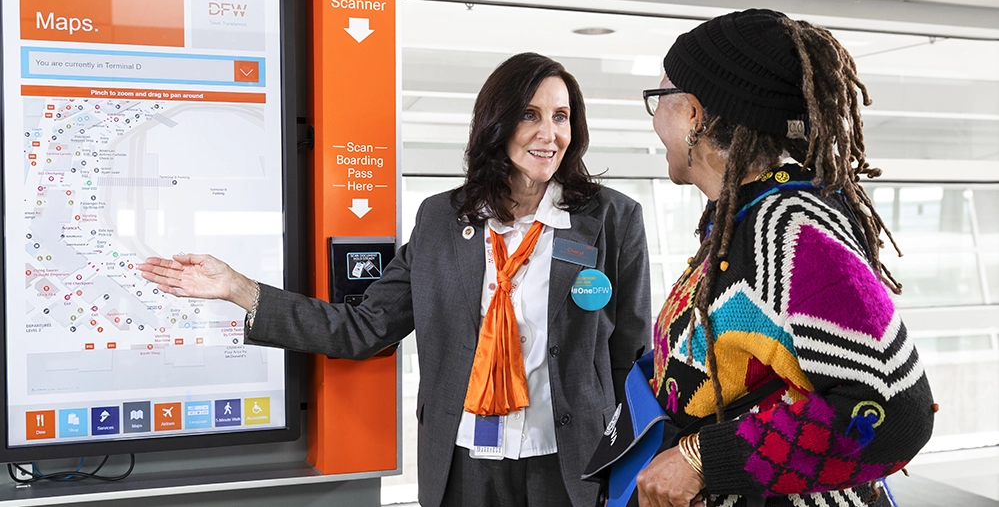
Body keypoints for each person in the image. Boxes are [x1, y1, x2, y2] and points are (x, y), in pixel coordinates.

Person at [139, 52, 652, 507]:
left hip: (571, 463)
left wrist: (634, 461)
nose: (549, 133)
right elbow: (365, 327)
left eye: (561, 117)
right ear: (497, 124)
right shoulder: (442, 221)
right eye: (530, 114)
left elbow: (629, 359)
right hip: (465, 463)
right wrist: (238, 288)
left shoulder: (611, 219)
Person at [630, 9, 935, 507]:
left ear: (693, 114)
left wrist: (702, 458)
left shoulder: (791, 230)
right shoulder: (742, 217)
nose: (653, 118)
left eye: (658, 99)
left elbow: (892, 409)